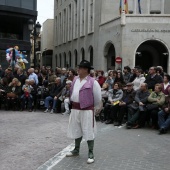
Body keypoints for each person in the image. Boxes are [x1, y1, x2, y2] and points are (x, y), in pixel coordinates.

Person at [66, 60, 101, 164]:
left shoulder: (93, 82)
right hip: (75, 109)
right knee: (76, 129)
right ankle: (76, 150)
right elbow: (72, 92)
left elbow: (97, 98)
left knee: (88, 130)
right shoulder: (75, 79)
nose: (78, 69)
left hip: (86, 110)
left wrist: (90, 106)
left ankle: (91, 153)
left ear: (86, 70)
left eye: (80, 68)